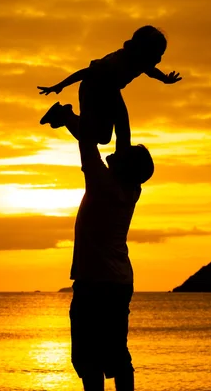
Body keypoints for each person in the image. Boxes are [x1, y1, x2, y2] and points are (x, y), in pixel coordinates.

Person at [54, 107, 154, 391]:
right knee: (116, 353)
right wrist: (112, 94)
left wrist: (70, 118)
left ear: (123, 166)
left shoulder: (101, 182)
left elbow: (87, 142)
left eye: (124, 153)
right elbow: (121, 133)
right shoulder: (130, 189)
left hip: (95, 282)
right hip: (119, 282)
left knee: (89, 358)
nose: (119, 150)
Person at [37, 25, 181, 153]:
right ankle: (64, 114)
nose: (159, 59)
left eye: (161, 55)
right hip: (92, 89)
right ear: (142, 50)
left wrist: (165, 79)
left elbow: (151, 71)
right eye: (157, 55)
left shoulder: (141, 61)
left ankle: (122, 158)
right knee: (91, 136)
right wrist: (59, 85)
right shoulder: (117, 62)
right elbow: (86, 73)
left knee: (113, 133)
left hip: (111, 91)